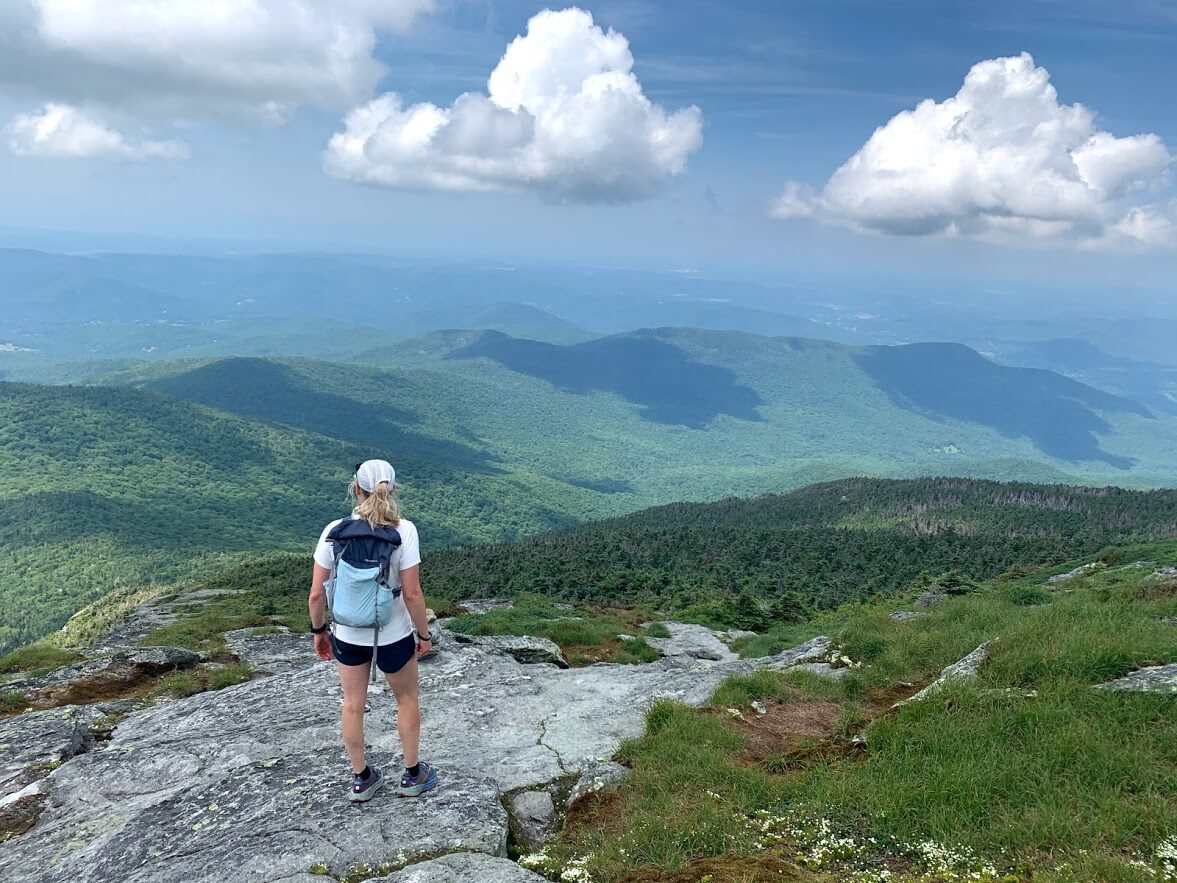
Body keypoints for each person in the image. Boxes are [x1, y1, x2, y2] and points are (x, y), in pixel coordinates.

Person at [308, 459, 438, 802]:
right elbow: (411, 593)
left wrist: (320, 631)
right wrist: (424, 636)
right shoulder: (404, 531)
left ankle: (362, 779)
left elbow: (316, 593)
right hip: (393, 632)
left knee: (352, 704)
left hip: (348, 633)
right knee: (407, 699)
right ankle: (413, 775)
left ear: (356, 488)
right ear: (391, 489)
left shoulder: (334, 530)